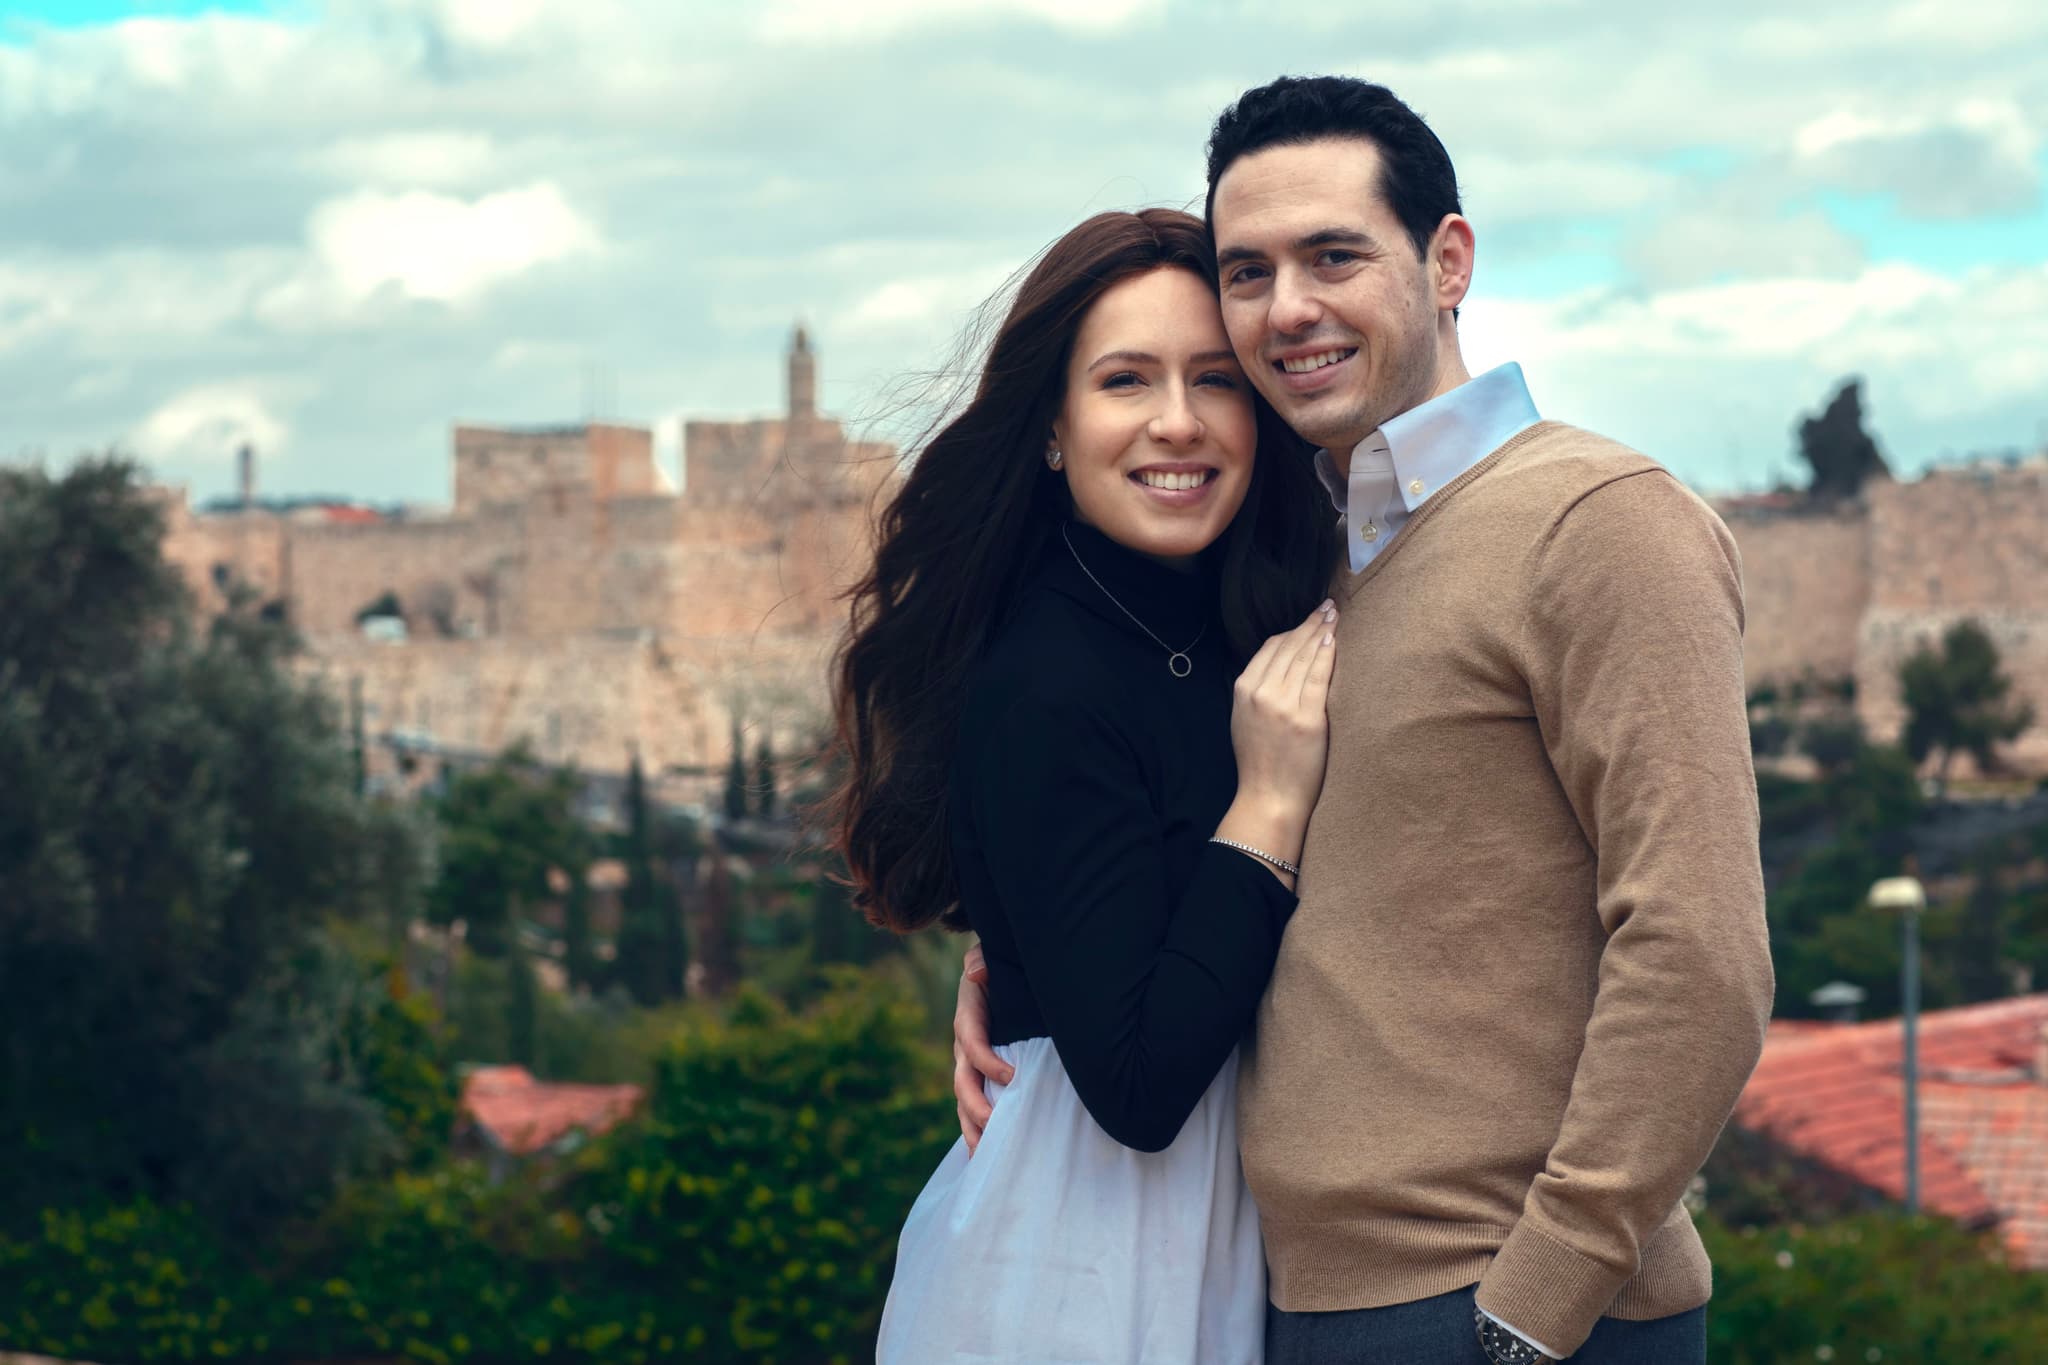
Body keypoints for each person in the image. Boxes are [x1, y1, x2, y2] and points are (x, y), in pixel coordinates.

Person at [953, 76, 1775, 1364]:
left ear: (1446, 260)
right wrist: (1021, 967)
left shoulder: (1598, 521)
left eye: (1332, 255)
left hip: (1498, 1311)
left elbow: (1699, 954)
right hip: (1300, 1299)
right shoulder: (1307, 560)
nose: (1287, 309)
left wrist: (1531, 1307)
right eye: (1247, 270)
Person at [830, 207, 1341, 1363]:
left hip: (1213, 1243)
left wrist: (1016, 962)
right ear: (1053, 428)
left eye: (1215, 380)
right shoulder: (1044, 679)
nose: (1177, 421)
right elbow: (1138, 1084)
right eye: (1124, 381)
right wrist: (1263, 809)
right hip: (1092, 1267)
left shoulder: (1241, 620)